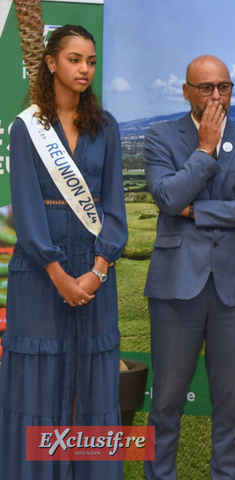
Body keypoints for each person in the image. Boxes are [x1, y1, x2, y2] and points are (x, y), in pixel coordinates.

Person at [0, 25, 127, 479]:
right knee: (39, 381)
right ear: (51, 63)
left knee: (93, 379)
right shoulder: (26, 127)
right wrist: (57, 273)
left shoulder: (106, 126)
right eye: (74, 59)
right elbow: (27, 210)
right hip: (39, 273)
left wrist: (97, 270)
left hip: (95, 273)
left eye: (90, 61)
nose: (84, 69)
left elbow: (115, 205)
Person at [143, 54, 235, 480]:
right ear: (187, 92)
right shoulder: (160, 136)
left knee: (230, 405)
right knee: (165, 403)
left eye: (224, 87)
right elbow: (166, 198)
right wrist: (204, 147)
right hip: (175, 287)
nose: (217, 95)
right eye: (206, 88)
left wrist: (195, 210)